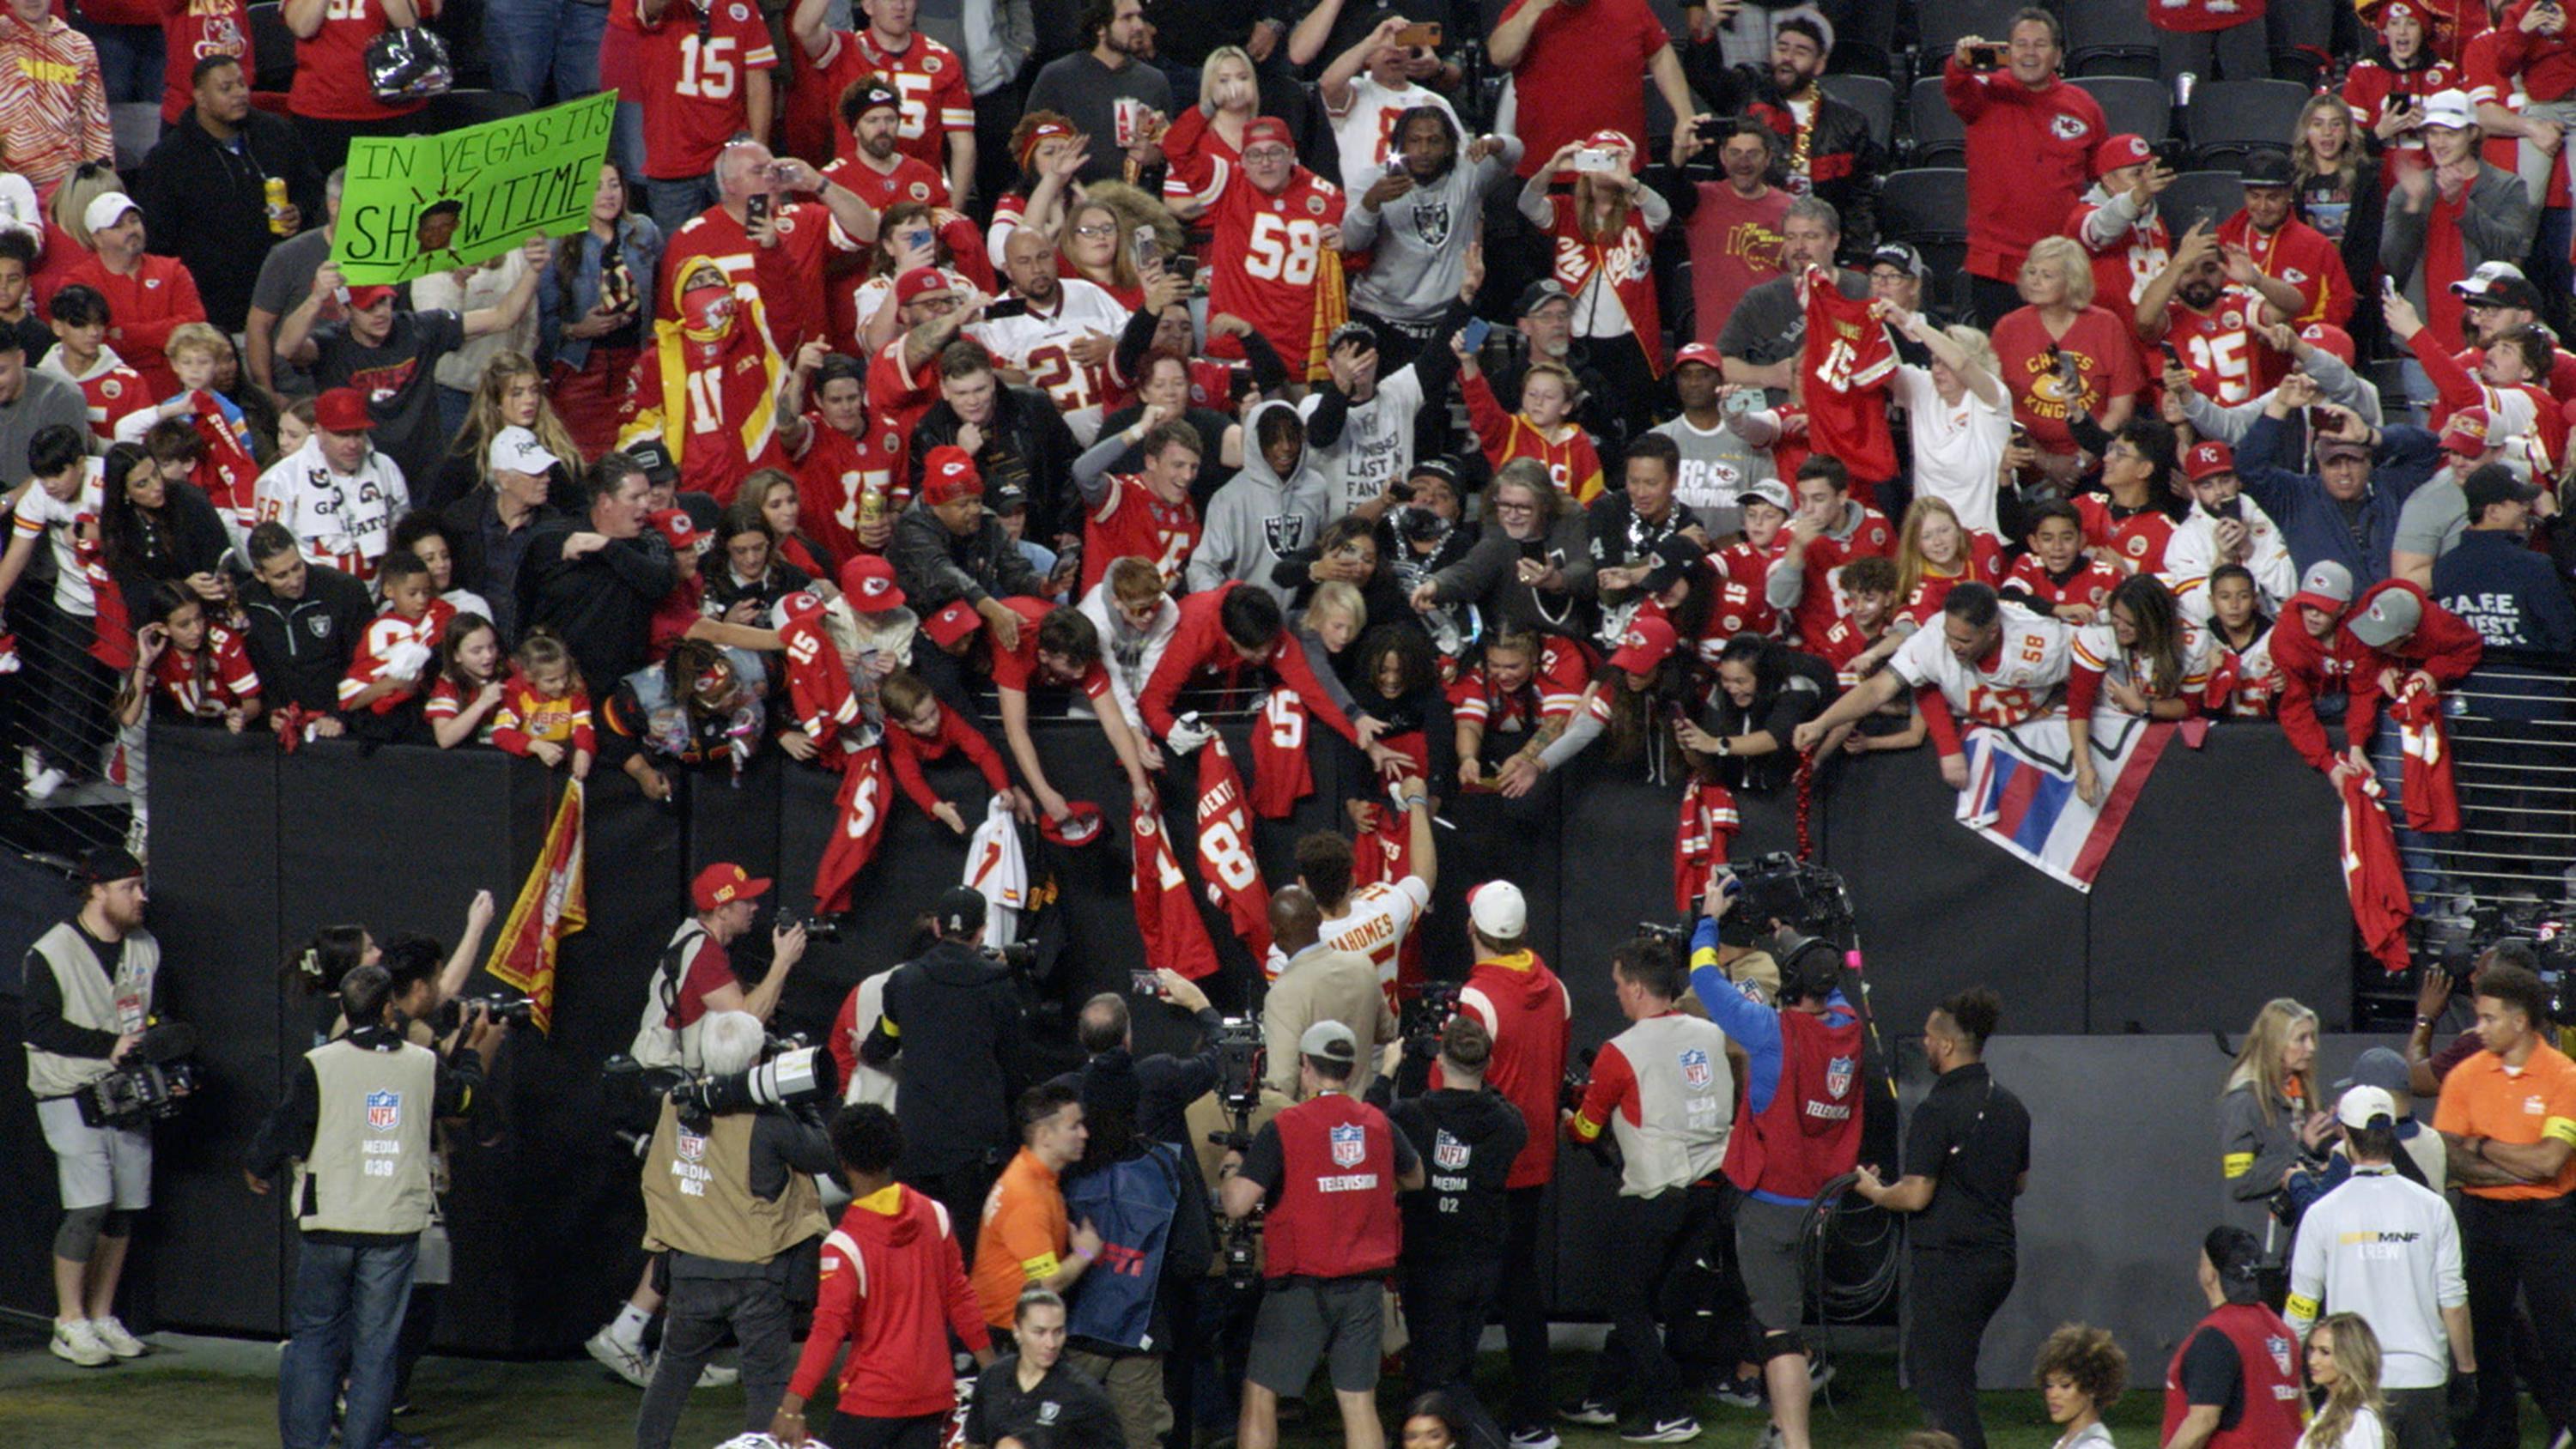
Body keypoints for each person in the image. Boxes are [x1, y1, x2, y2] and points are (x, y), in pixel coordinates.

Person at [245, 964, 502, 1449]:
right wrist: (470, 1052)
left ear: (344, 1009)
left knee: (315, 1341)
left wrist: (258, 1165)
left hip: (331, 1221)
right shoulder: (422, 1065)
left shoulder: (319, 1063)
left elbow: (287, 1127)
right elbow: (466, 1100)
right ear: (389, 1010)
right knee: (376, 1347)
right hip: (393, 1223)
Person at [1687, 880, 1864, 1449]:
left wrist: (1710, 920)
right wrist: (1786, 936)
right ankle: (1783, 1428)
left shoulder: (1771, 1033)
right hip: (1822, 1204)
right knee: (1787, 1317)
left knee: (1779, 1335)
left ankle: (1794, 1442)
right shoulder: (1849, 1030)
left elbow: (1703, 980)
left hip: (1769, 1204)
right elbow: (1827, 989)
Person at [632, 1010, 835, 1449]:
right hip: (757, 1278)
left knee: (670, 1379)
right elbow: (824, 1155)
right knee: (765, 1387)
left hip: (689, 1271)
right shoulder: (770, 1123)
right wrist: (800, 1093)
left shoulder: (675, 1105)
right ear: (757, 1059)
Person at [1559, 933, 1733, 1445]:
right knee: (1642, 1295)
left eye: (1617, 984)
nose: (1615, 993)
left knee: (1627, 1302)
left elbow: (1587, 1132)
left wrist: (1570, 1116)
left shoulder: (1620, 1052)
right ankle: (1602, 1398)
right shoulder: (1710, 1031)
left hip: (1658, 1193)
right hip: (1714, 1190)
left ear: (1637, 988)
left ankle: (1670, 1409)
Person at [1223, 1020, 1425, 1449]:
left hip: (1300, 1284)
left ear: (1305, 1067)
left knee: (1260, 1395)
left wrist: (1230, 1169)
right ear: (1350, 1070)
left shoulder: (1286, 1125)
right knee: (1358, 1403)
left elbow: (1238, 1203)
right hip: (1364, 1286)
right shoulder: (1377, 1122)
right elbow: (1417, 1177)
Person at [1853, 988, 2033, 1449]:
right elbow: (2019, 1183)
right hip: (1997, 1262)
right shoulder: (2010, 1106)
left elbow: (1915, 1194)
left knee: (1938, 1380)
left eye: (1931, 1038)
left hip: (1953, 1265)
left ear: (1948, 1045)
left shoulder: (1936, 1110)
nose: (1926, 1045)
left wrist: (1875, 1192)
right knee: (1949, 1370)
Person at [772, 1101, 995, 1449]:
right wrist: (992, 1372)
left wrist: (791, 1405)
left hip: (872, 1399)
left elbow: (829, 1330)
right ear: (893, 1154)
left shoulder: (844, 1245)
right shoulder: (934, 1215)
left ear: (842, 1163)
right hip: (930, 1395)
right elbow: (961, 1299)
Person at [21, 847, 162, 1367]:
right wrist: (107, 1046)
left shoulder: (145, 946)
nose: (141, 896)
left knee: (124, 1208)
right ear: (97, 890)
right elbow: (37, 1025)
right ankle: (70, 1320)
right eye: (129, 887)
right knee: (88, 1206)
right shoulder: (51, 951)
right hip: (69, 1091)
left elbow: (154, 1013)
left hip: (127, 1093)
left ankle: (103, 1314)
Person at [1442, 877, 1571, 1447]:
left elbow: (1450, 1084)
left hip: (1482, 1169)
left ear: (1473, 929)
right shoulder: (1558, 990)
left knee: (1464, 1290)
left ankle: (1455, 1409)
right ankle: (1533, 1416)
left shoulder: (1476, 1001)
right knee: (1520, 1287)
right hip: (1535, 1163)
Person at [2431, 961, 2576, 1449]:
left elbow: (2552, 1161)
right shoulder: (2465, 1077)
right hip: (2481, 1219)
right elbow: (2448, 1158)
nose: (2480, 1027)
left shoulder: (2564, 1077)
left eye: (2489, 1018)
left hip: (2549, 1222)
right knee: (2484, 1337)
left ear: (2519, 1021)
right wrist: (2518, 1164)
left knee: (2563, 1337)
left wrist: (2483, 1146)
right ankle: (2492, 1440)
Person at [275, 237, 551, 492]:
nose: (381, 313)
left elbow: (503, 317)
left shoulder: (417, 329)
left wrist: (534, 270)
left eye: (384, 302)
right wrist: (316, 298)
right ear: (346, 311)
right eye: (369, 307)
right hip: (359, 476)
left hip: (424, 473)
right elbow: (286, 348)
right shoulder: (332, 344)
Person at [2284, 1083, 2474, 1449]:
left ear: (2345, 1137)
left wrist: (2293, 1372)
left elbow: (2302, 1305)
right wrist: (2466, 1368)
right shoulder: (2433, 1208)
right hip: (2423, 1379)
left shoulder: (2323, 1213)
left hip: (2353, 1381)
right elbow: (2452, 1300)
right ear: (2390, 1134)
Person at [861, 887, 1034, 1256]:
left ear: (938, 927)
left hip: (916, 1141)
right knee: (970, 1255)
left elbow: (884, 1042)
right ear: (982, 931)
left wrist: (863, 1049)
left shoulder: (904, 981)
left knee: (919, 1250)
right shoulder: (998, 985)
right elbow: (1015, 1067)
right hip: (975, 1148)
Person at [1379, 1014, 1524, 1442]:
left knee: (1436, 1378)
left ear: (1439, 1062)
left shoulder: (1411, 1115)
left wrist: (1388, 1069)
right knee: (1455, 1366)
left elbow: (1367, 1119)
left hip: (1429, 1263)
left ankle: (1482, 1440)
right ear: (1488, 1065)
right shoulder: (1509, 1121)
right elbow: (1498, 1107)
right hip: (1482, 1263)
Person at [1792, 584, 2071, 789]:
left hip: (2037, 719)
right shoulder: (1933, 637)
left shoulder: (2041, 644)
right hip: (1979, 717)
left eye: (1964, 640)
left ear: (1992, 631)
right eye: (1950, 635)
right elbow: (1878, 688)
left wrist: (2054, 706)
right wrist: (1821, 723)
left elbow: (2088, 666)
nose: (1953, 646)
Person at [1944, 10, 2110, 327]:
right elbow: (1956, 90)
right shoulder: (1985, 93)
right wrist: (1960, 63)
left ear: (2058, 55)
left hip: (2061, 259)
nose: (2030, 53)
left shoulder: (2083, 105)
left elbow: (2102, 174)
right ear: (2007, 51)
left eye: (2040, 44)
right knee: (2003, 361)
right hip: (1997, 261)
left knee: (2060, 361)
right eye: (2020, 44)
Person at [135, 56, 314, 336]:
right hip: (217, 309)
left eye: (242, 84)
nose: (240, 94)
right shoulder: (168, 160)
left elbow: (311, 186)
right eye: (226, 88)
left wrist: (299, 211)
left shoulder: (276, 133)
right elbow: (158, 241)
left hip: (284, 296)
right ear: (201, 98)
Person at [612, 0, 780, 240]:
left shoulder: (743, 6)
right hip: (672, 154)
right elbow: (649, 9)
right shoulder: (663, 9)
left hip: (730, 151)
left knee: (752, 240)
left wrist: (758, 151)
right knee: (679, 255)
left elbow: (758, 81)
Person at [519, 453, 677, 694]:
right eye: (635, 497)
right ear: (605, 502)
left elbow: (662, 584)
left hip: (625, 689)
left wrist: (608, 546)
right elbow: (520, 607)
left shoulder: (651, 541)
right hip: (561, 688)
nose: (646, 504)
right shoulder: (551, 539)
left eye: (646, 494)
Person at [970, 1083, 1103, 1335]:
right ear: (1044, 1136)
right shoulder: (1027, 1196)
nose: (1084, 1134)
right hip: (1005, 1329)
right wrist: (1085, 1252)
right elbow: (1047, 1283)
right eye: (1074, 1126)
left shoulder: (1031, 1173)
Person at [2164, 1227, 2306, 1449]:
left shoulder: (2216, 1337)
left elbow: (2202, 1422)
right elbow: (2300, 1405)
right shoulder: (2282, 1331)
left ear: (2210, 1274)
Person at [61, 192, 205, 398]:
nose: (131, 230)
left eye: (134, 221)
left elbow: (195, 328)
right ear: (97, 238)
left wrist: (128, 334)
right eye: (118, 226)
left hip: (173, 390)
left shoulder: (173, 271)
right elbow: (90, 343)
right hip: (109, 392)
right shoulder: (78, 282)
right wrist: (162, 339)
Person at [1261, 884, 1398, 1098]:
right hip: (1365, 1117)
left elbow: (1282, 1084)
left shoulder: (1282, 995)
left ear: (1275, 936)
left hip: (1314, 1125)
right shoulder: (1362, 965)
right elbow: (1388, 1031)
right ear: (1318, 919)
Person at [1022, 0, 1171, 189]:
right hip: (1073, 200)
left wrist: (1155, 156)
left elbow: (1172, 151)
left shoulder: (1155, 81)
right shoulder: (1057, 77)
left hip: (1137, 203)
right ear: (1100, 27)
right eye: (1127, 18)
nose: (1139, 26)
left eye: (1139, 16)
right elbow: (1029, 147)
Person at [239, 519, 374, 725]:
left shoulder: (344, 591)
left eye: (296, 567)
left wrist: (339, 715)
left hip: (343, 723)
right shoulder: (247, 600)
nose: (294, 581)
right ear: (259, 574)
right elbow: (256, 666)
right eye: (281, 576)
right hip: (283, 728)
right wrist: (272, 711)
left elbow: (366, 664)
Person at [2218, 997, 2325, 1254]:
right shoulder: (2244, 1102)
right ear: (2275, 1044)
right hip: (2260, 1253)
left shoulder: (2297, 1094)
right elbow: (2240, 1180)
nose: (2310, 1048)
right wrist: (2299, 1156)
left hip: (2295, 1245)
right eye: (2301, 1039)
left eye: (2312, 1037)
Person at [2433, 465, 2576, 652]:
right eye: (2519, 502)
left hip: (2470, 679)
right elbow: (2566, 637)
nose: (2527, 508)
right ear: (2493, 511)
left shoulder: (2444, 567)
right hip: (2535, 676)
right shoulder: (2534, 567)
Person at [963, 1289, 1126, 1449]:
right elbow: (976, 1441)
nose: (1051, 1343)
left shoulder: (1083, 1393)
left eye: (1058, 1332)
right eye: (1039, 1332)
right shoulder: (993, 1377)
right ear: (1017, 1331)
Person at [0, 0, 112, 193]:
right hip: (6, 184)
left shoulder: (79, 46)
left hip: (65, 186)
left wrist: (102, 184)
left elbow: (96, 122)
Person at [2298, 1314, 2390, 1449]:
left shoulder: (2359, 1420)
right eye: (2311, 1349)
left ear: (2350, 1356)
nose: (2312, 1360)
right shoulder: (2328, 1410)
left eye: (2325, 1352)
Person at [2035, 1324, 2128, 1449]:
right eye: (2049, 1385)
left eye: (2065, 1385)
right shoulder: (2064, 1443)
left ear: (2092, 1387)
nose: (2053, 1394)